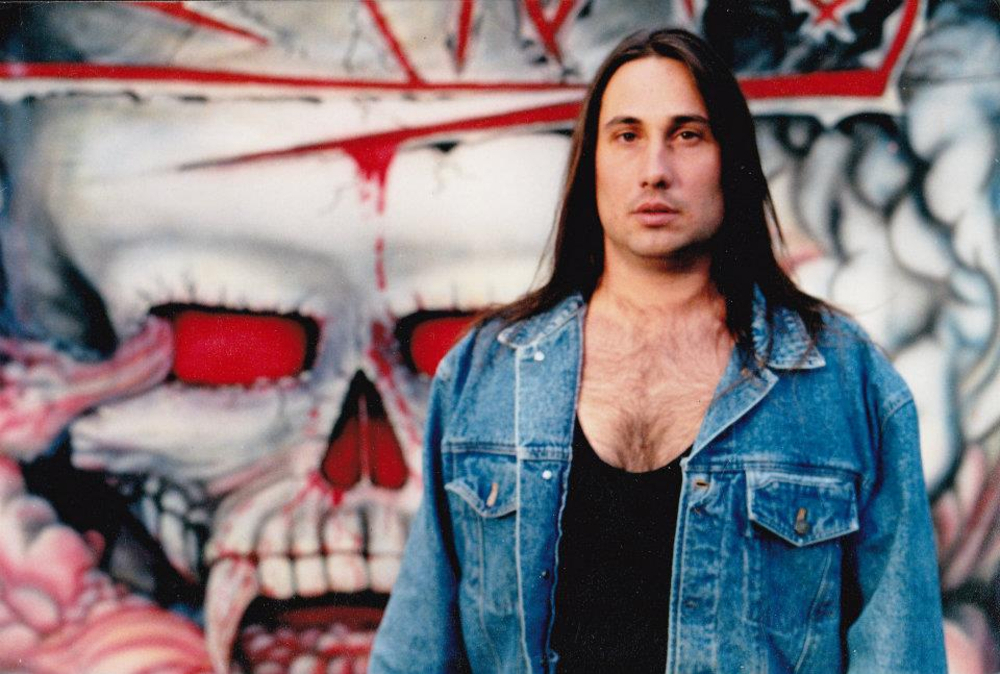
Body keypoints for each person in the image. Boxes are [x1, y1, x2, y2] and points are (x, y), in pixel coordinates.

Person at [369, 28, 946, 674]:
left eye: (687, 134)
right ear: (591, 163)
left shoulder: (844, 382)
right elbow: (415, 655)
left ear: (731, 160)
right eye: (627, 135)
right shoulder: (485, 374)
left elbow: (902, 657)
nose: (654, 170)